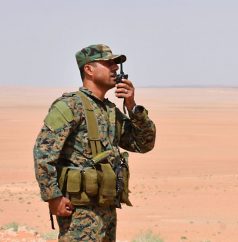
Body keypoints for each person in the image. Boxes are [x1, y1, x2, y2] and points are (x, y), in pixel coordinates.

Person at [33, 44, 156, 241]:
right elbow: (43, 153)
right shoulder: (70, 105)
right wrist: (53, 197)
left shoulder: (109, 111)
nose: (115, 68)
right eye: (108, 63)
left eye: (116, 64)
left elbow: (143, 144)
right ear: (88, 69)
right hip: (79, 212)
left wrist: (132, 107)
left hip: (106, 207)